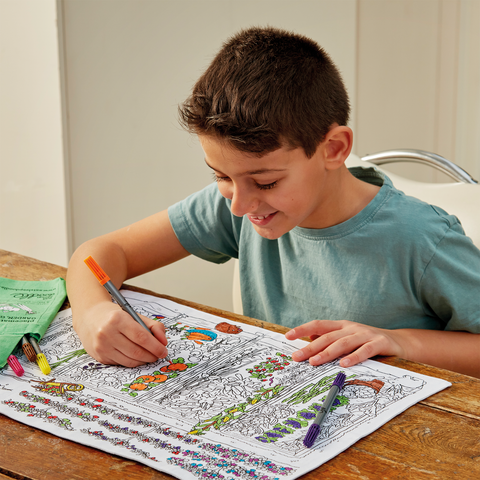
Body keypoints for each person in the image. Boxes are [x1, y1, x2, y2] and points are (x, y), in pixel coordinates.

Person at [66, 26, 480, 378]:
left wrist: (398, 342)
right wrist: (90, 314)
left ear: (333, 149)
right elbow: (101, 253)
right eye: (221, 175)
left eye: (265, 181)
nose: (239, 205)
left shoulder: (424, 238)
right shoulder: (239, 205)